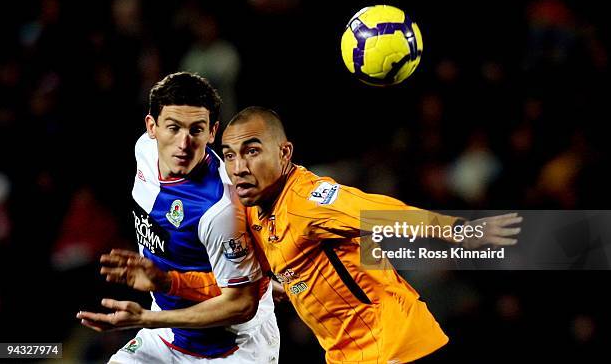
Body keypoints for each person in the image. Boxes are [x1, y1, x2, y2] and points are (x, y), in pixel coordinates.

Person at [218, 106, 522, 363]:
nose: (239, 167)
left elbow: (381, 213)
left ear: (284, 153)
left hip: (395, 347)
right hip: (350, 354)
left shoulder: (308, 201)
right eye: (229, 156)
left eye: (252, 151)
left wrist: (457, 229)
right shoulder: (255, 210)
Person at [77, 73, 279, 363]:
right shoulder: (143, 150)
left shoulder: (220, 207)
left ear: (212, 133)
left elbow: (241, 304)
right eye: (173, 128)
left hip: (231, 348)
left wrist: (146, 318)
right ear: (152, 126)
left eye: (196, 130)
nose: (184, 143)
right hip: (167, 333)